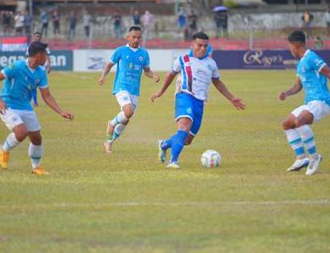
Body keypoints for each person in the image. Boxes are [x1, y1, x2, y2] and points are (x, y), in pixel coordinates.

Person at [151, 32, 245, 169]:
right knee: (184, 126)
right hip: (184, 96)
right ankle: (173, 161)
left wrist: (232, 98)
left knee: (187, 139)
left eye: (205, 46)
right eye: (199, 45)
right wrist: (160, 92)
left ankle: (164, 144)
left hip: (200, 102)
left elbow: (217, 82)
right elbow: (170, 75)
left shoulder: (211, 63)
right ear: (192, 45)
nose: (202, 48)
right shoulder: (183, 59)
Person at [0, 41, 74, 175]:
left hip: (25, 107)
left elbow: (47, 95)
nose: (47, 57)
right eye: (46, 54)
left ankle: (36, 167)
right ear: (39, 55)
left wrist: (61, 111)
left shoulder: (41, 72)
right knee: (21, 132)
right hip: (8, 105)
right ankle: (4, 150)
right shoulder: (17, 66)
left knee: (37, 138)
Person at [279, 31, 330, 175]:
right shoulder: (300, 63)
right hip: (310, 102)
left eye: (290, 46)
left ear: (296, 45)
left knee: (299, 121)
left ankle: (314, 157)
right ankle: (301, 158)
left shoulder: (312, 57)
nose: (290, 49)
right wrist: (286, 94)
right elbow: (298, 86)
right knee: (287, 123)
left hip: (322, 101)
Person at [98, 25, 160, 153]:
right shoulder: (120, 51)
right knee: (128, 111)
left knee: (126, 119)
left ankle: (109, 142)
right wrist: (103, 76)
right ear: (128, 37)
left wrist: (153, 75)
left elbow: (147, 70)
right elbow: (109, 65)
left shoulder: (144, 53)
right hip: (121, 87)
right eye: (134, 37)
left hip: (134, 90)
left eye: (139, 37)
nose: (136, 40)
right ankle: (111, 123)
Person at [27, 31, 52, 106]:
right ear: (34, 37)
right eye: (36, 36)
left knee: (42, 85)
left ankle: (45, 99)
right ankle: (34, 101)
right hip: (33, 67)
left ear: (40, 37)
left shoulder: (43, 47)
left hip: (41, 68)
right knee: (33, 84)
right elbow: (28, 56)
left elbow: (47, 56)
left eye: (39, 36)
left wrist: (49, 65)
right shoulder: (30, 46)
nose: (37, 38)